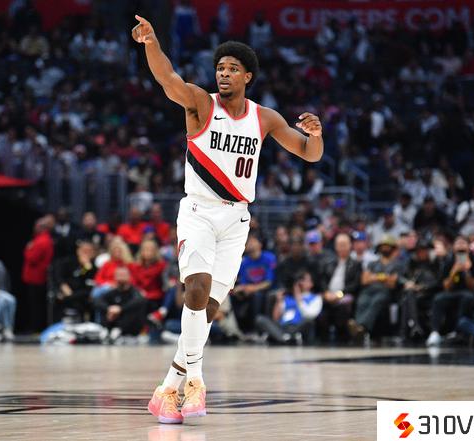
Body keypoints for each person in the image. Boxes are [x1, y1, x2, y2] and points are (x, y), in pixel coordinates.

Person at [133, 15, 323, 424]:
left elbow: (309, 154)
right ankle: (196, 380)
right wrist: (151, 43)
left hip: (237, 219)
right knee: (196, 289)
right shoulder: (201, 103)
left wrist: (317, 134)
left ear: (247, 76)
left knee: (209, 309)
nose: (223, 74)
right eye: (220, 68)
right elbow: (167, 78)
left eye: (232, 69)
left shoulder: (264, 117)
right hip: (199, 210)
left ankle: (167, 389)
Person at [426, 236, 474, 346]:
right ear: (453, 247)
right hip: (452, 292)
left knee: (467, 297)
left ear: (468, 247)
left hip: (469, 292)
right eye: (458, 243)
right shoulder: (449, 260)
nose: (461, 246)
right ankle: (434, 332)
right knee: (438, 298)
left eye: (463, 243)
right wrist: (454, 271)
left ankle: (458, 330)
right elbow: (446, 286)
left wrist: (467, 272)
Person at [348, 235, 405, 341]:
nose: (384, 248)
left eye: (387, 246)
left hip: (385, 291)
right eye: (383, 246)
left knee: (377, 301)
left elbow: (392, 283)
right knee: (362, 300)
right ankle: (359, 327)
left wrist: (374, 277)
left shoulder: (398, 265)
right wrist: (384, 277)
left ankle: (362, 327)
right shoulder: (373, 263)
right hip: (369, 290)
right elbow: (364, 280)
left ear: (393, 248)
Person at [315, 233, 361, 341]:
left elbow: (355, 285)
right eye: (339, 245)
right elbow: (323, 280)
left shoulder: (355, 264)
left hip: (344, 295)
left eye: (344, 244)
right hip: (328, 295)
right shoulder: (328, 263)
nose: (342, 247)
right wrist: (326, 292)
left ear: (350, 246)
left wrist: (339, 294)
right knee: (320, 311)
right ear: (335, 247)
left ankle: (343, 339)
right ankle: (321, 340)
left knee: (342, 308)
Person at [255, 270, 320, 344]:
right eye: (300, 280)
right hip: (282, 326)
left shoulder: (315, 298)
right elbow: (275, 318)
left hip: (297, 326)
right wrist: (279, 301)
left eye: (304, 280)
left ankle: (281, 337)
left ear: (311, 284)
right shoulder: (287, 297)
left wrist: (298, 296)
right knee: (260, 319)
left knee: (309, 321)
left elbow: (309, 315)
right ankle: (284, 338)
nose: (301, 282)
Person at [93, 266, 147, 342]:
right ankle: (106, 330)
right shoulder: (112, 292)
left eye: (123, 275)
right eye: (119, 275)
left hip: (130, 328)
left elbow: (140, 300)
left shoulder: (134, 291)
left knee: (136, 307)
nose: (121, 278)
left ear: (129, 277)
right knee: (103, 306)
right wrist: (109, 308)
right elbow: (97, 300)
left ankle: (119, 330)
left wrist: (121, 309)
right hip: (112, 321)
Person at [22, 216, 54, 333]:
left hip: (36, 277)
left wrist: (28, 249)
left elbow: (32, 258)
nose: (34, 228)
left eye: (36, 226)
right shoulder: (43, 239)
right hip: (37, 277)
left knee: (36, 305)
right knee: (36, 304)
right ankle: (36, 327)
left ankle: (36, 328)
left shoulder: (42, 241)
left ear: (41, 227)